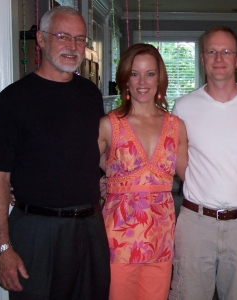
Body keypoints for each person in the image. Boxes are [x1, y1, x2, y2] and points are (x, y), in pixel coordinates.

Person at [0, 6, 110, 300]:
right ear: (40, 39)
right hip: (36, 232)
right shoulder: (12, 100)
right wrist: (2, 248)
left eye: (80, 39)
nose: (72, 46)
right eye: (63, 36)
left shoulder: (90, 95)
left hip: (90, 228)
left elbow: (95, 155)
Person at [168, 26, 237, 300]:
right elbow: (180, 165)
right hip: (195, 224)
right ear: (203, 58)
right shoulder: (183, 107)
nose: (219, 58)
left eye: (226, 51)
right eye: (212, 52)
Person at [98, 43, 188, 300]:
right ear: (125, 79)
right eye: (134, 74)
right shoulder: (109, 125)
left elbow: (193, 177)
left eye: (150, 73)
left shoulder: (176, 126)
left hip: (161, 239)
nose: (142, 82)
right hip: (118, 242)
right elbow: (76, 168)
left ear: (160, 78)